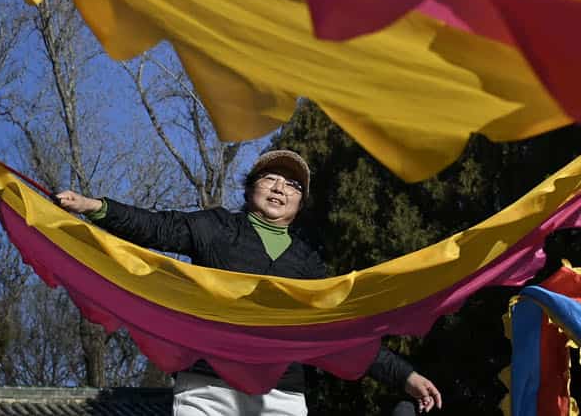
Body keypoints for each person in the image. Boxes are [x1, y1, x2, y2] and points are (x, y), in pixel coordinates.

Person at [55, 148, 443, 416]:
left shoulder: (307, 263)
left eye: (292, 185)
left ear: (300, 203)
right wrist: (96, 208)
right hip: (208, 386)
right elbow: (157, 226)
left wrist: (404, 375)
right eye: (270, 178)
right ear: (251, 186)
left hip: (281, 394)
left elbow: (343, 330)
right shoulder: (217, 228)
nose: (279, 188)